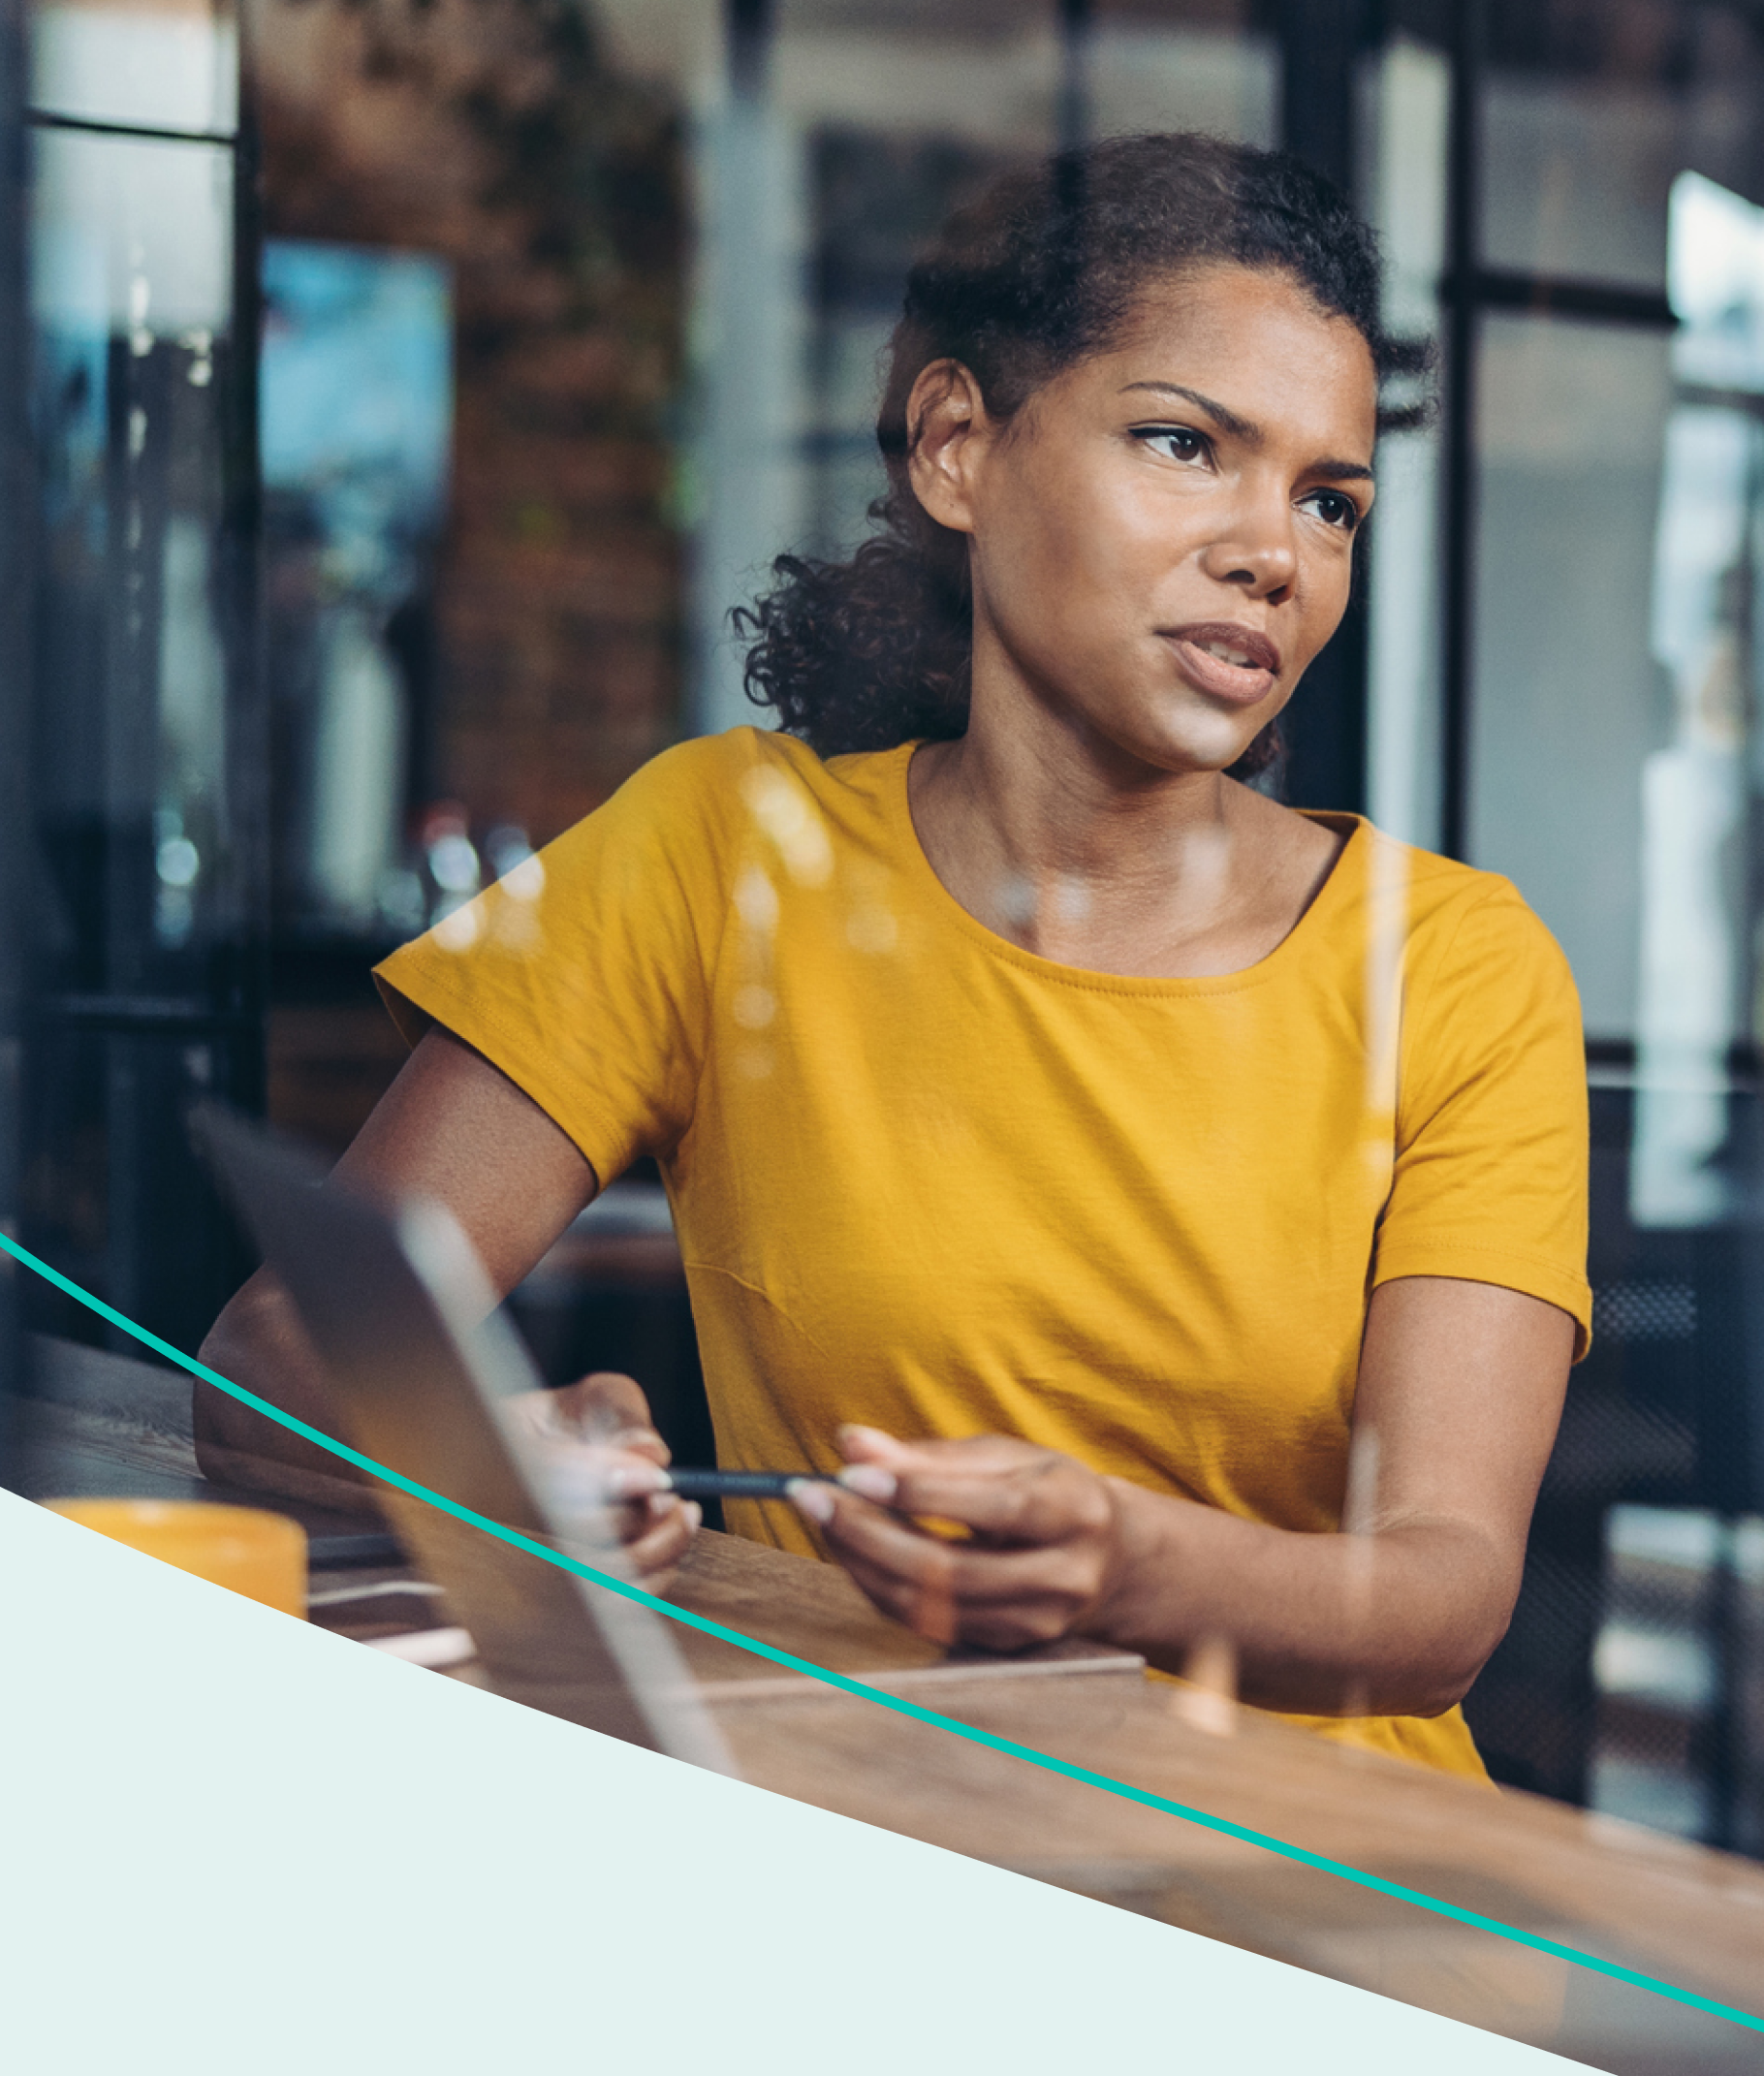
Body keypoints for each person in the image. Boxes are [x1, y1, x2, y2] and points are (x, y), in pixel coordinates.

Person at [195, 136, 1588, 1781]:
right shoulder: (720, 848)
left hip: (1340, 1908)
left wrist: (1126, 1567)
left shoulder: (1462, 965)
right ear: (957, 447)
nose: (1275, 552)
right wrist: (490, 1460)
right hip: (873, 1840)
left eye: (1328, 499)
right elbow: (269, 1365)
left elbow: (1442, 1595)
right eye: (1184, 444)